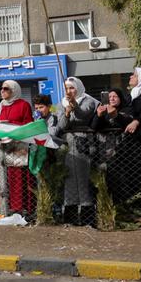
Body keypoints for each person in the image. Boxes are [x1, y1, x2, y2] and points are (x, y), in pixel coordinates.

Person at [0, 80, 34, 216]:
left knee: (18, 177)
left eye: (6, 89)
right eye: (1, 89)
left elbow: (28, 124)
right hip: (4, 147)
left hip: (18, 145)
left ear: (14, 90)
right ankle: (2, 207)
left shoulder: (23, 105)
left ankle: (19, 208)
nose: (2, 91)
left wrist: (11, 124)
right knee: (4, 175)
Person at [59, 76, 100, 213]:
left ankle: (87, 209)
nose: (69, 91)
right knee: (70, 178)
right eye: (67, 88)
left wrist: (75, 106)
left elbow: (83, 115)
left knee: (83, 177)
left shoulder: (88, 100)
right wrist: (66, 112)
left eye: (72, 88)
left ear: (78, 88)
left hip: (84, 142)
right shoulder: (62, 103)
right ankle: (70, 209)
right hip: (68, 143)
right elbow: (62, 125)